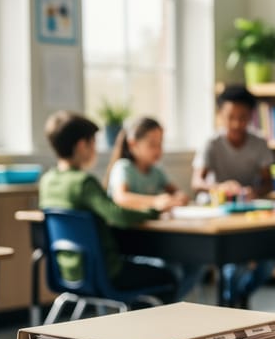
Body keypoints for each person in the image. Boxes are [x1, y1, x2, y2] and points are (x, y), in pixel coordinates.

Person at [39, 110, 177, 302]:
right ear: (81, 145)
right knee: (169, 276)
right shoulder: (84, 182)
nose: (95, 149)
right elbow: (117, 215)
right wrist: (155, 210)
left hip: (67, 270)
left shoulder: (47, 180)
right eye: (93, 143)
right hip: (104, 272)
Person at [191, 85, 275, 306]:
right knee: (231, 263)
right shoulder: (212, 143)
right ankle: (230, 302)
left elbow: (268, 182)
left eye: (243, 117)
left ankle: (239, 295)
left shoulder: (258, 143)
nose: (237, 123)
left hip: (248, 212)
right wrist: (219, 187)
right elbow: (196, 182)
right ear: (220, 116)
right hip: (219, 214)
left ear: (251, 117)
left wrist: (254, 191)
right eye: (230, 117)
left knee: (270, 257)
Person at [103, 116, 204, 299]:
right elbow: (121, 197)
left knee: (197, 263)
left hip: (157, 239)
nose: (158, 150)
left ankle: (169, 304)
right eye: (152, 144)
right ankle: (160, 306)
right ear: (133, 144)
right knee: (170, 268)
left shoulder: (157, 171)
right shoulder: (123, 168)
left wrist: (178, 197)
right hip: (130, 242)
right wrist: (156, 201)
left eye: (160, 144)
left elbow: (179, 194)